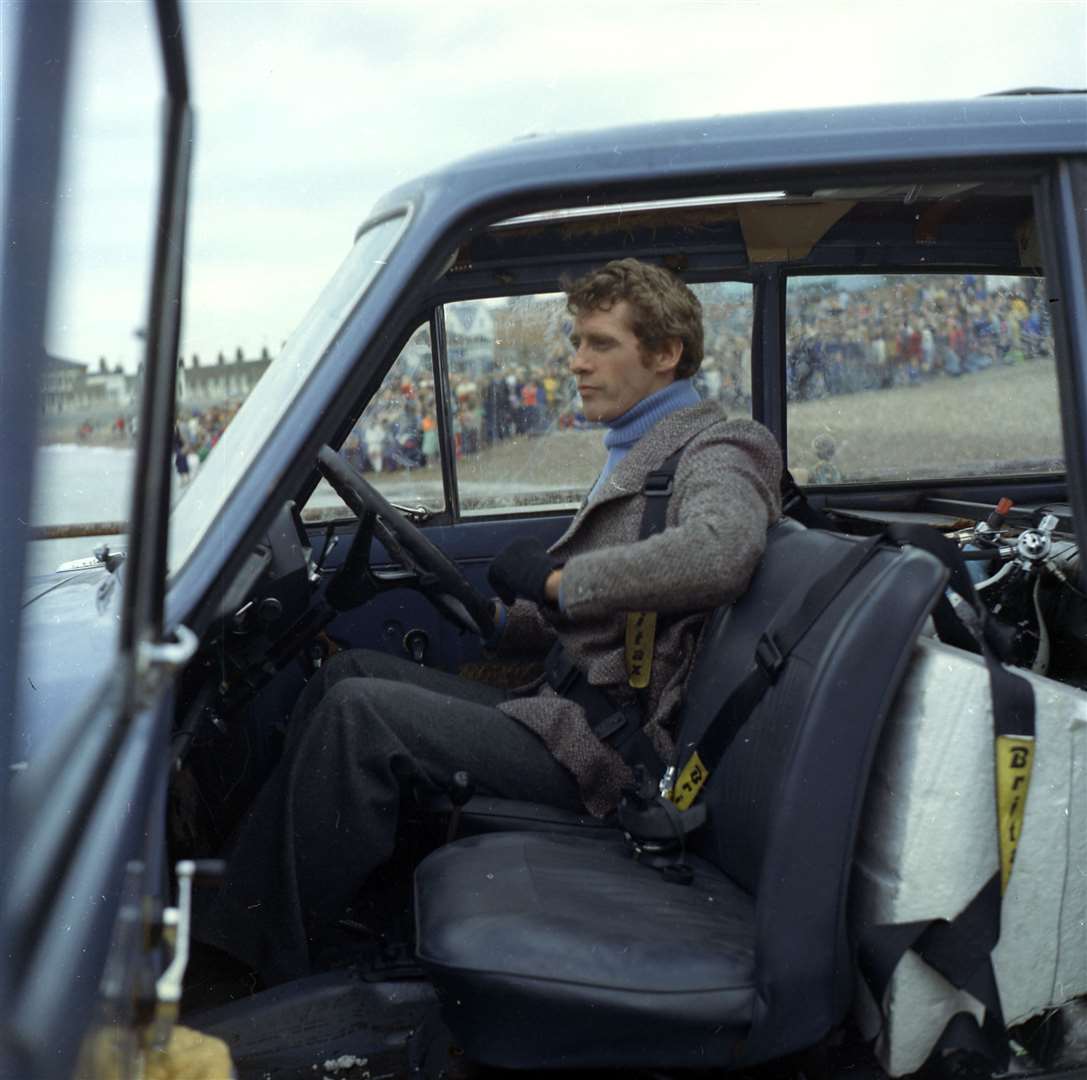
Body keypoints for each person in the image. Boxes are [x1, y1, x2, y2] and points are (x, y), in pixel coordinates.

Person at [194, 258, 783, 987]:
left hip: (609, 751)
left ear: (664, 354)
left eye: (600, 344)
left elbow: (719, 552)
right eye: (576, 342)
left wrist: (563, 583)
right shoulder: (633, 451)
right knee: (348, 672)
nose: (576, 362)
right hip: (564, 706)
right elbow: (599, 621)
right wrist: (503, 621)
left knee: (360, 715)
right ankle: (252, 902)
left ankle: (242, 967)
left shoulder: (720, 446)